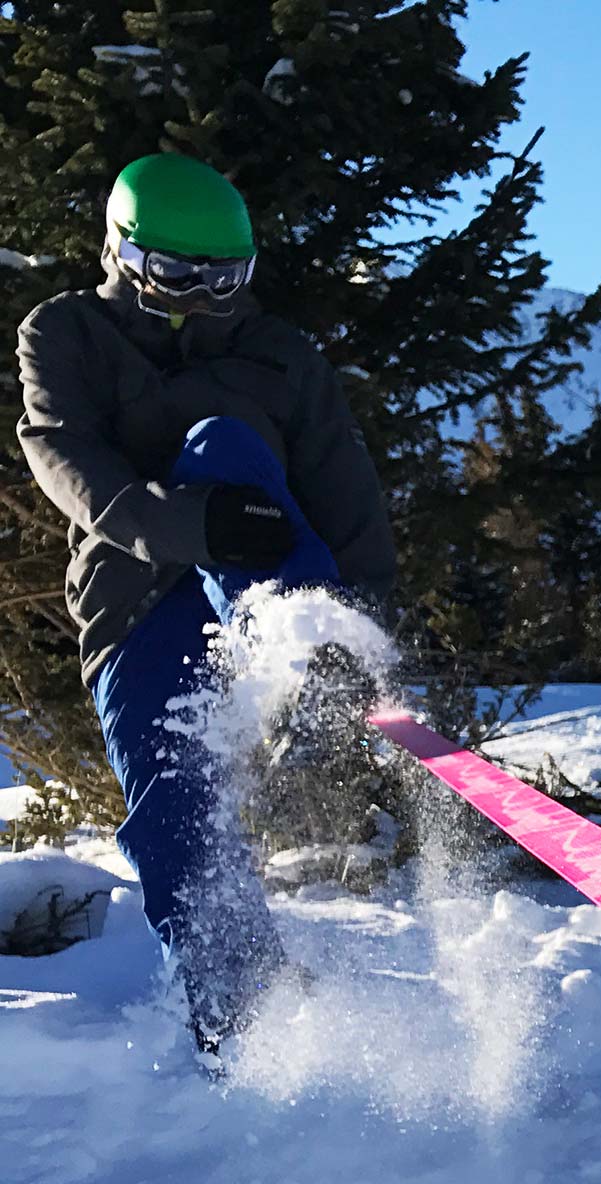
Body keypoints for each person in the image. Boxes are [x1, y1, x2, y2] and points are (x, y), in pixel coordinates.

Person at [15, 152, 395, 1053]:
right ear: (124, 253)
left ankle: (305, 648)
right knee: (170, 811)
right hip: (137, 601)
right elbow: (67, 457)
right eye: (181, 277)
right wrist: (196, 523)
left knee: (223, 437)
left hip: (274, 581)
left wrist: (363, 631)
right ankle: (248, 1016)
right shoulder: (64, 332)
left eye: (228, 281)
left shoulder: (278, 356)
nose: (205, 300)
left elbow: (349, 497)